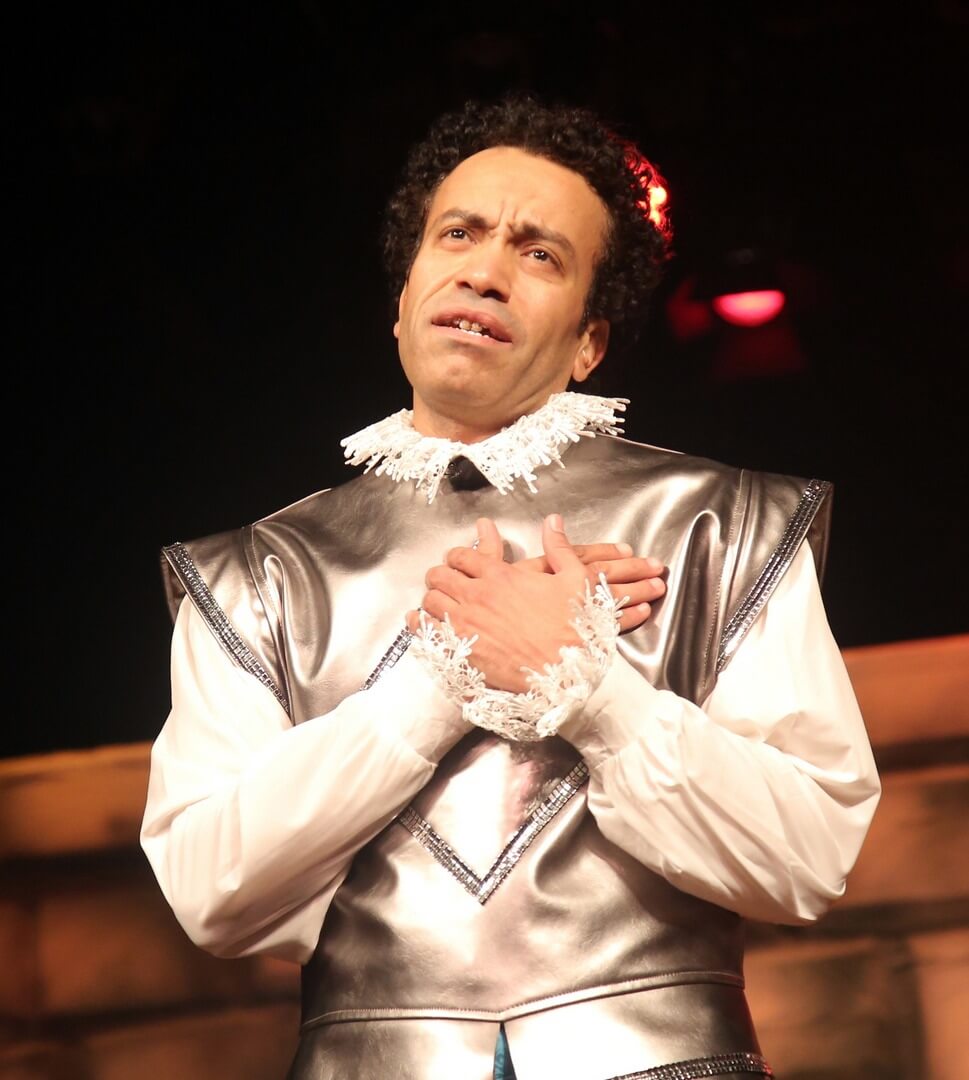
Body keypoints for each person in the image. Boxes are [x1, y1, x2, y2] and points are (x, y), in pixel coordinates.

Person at [141, 96, 880, 1080]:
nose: (485, 271)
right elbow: (212, 896)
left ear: (588, 344)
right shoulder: (254, 575)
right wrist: (439, 679)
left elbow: (807, 857)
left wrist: (591, 689)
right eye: (459, 234)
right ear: (403, 297)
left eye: (539, 254)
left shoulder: (722, 524)